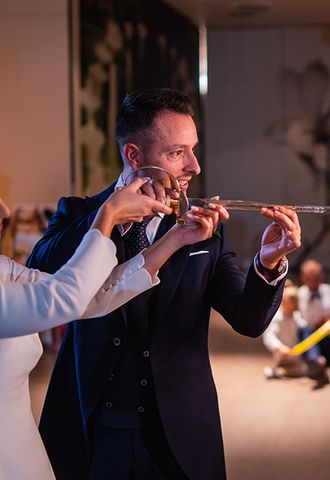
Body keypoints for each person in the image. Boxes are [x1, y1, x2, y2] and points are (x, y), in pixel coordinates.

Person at [27, 89, 302, 479]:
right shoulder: (79, 212)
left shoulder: (205, 232)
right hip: (92, 428)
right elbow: (39, 273)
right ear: (134, 156)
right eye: (177, 153)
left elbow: (249, 320)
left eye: (193, 149)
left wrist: (269, 261)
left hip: (179, 432)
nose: (195, 165)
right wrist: (112, 219)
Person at [0, 178, 217, 479]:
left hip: (27, 455)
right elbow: (62, 298)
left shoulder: (2, 268)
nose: (5, 210)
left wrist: (175, 239)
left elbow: (92, 297)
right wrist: (107, 216)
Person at [262, 281, 326, 381]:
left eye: (294, 307)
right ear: (283, 303)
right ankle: (277, 371)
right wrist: (279, 347)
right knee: (289, 368)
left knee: (303, 369)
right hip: (283, 354)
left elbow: (305, 328)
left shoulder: (296, 317)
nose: (292, 309)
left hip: (296, 353)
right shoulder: (277, 318)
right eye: (289, 306)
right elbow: (269, 336)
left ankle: (314, 365)